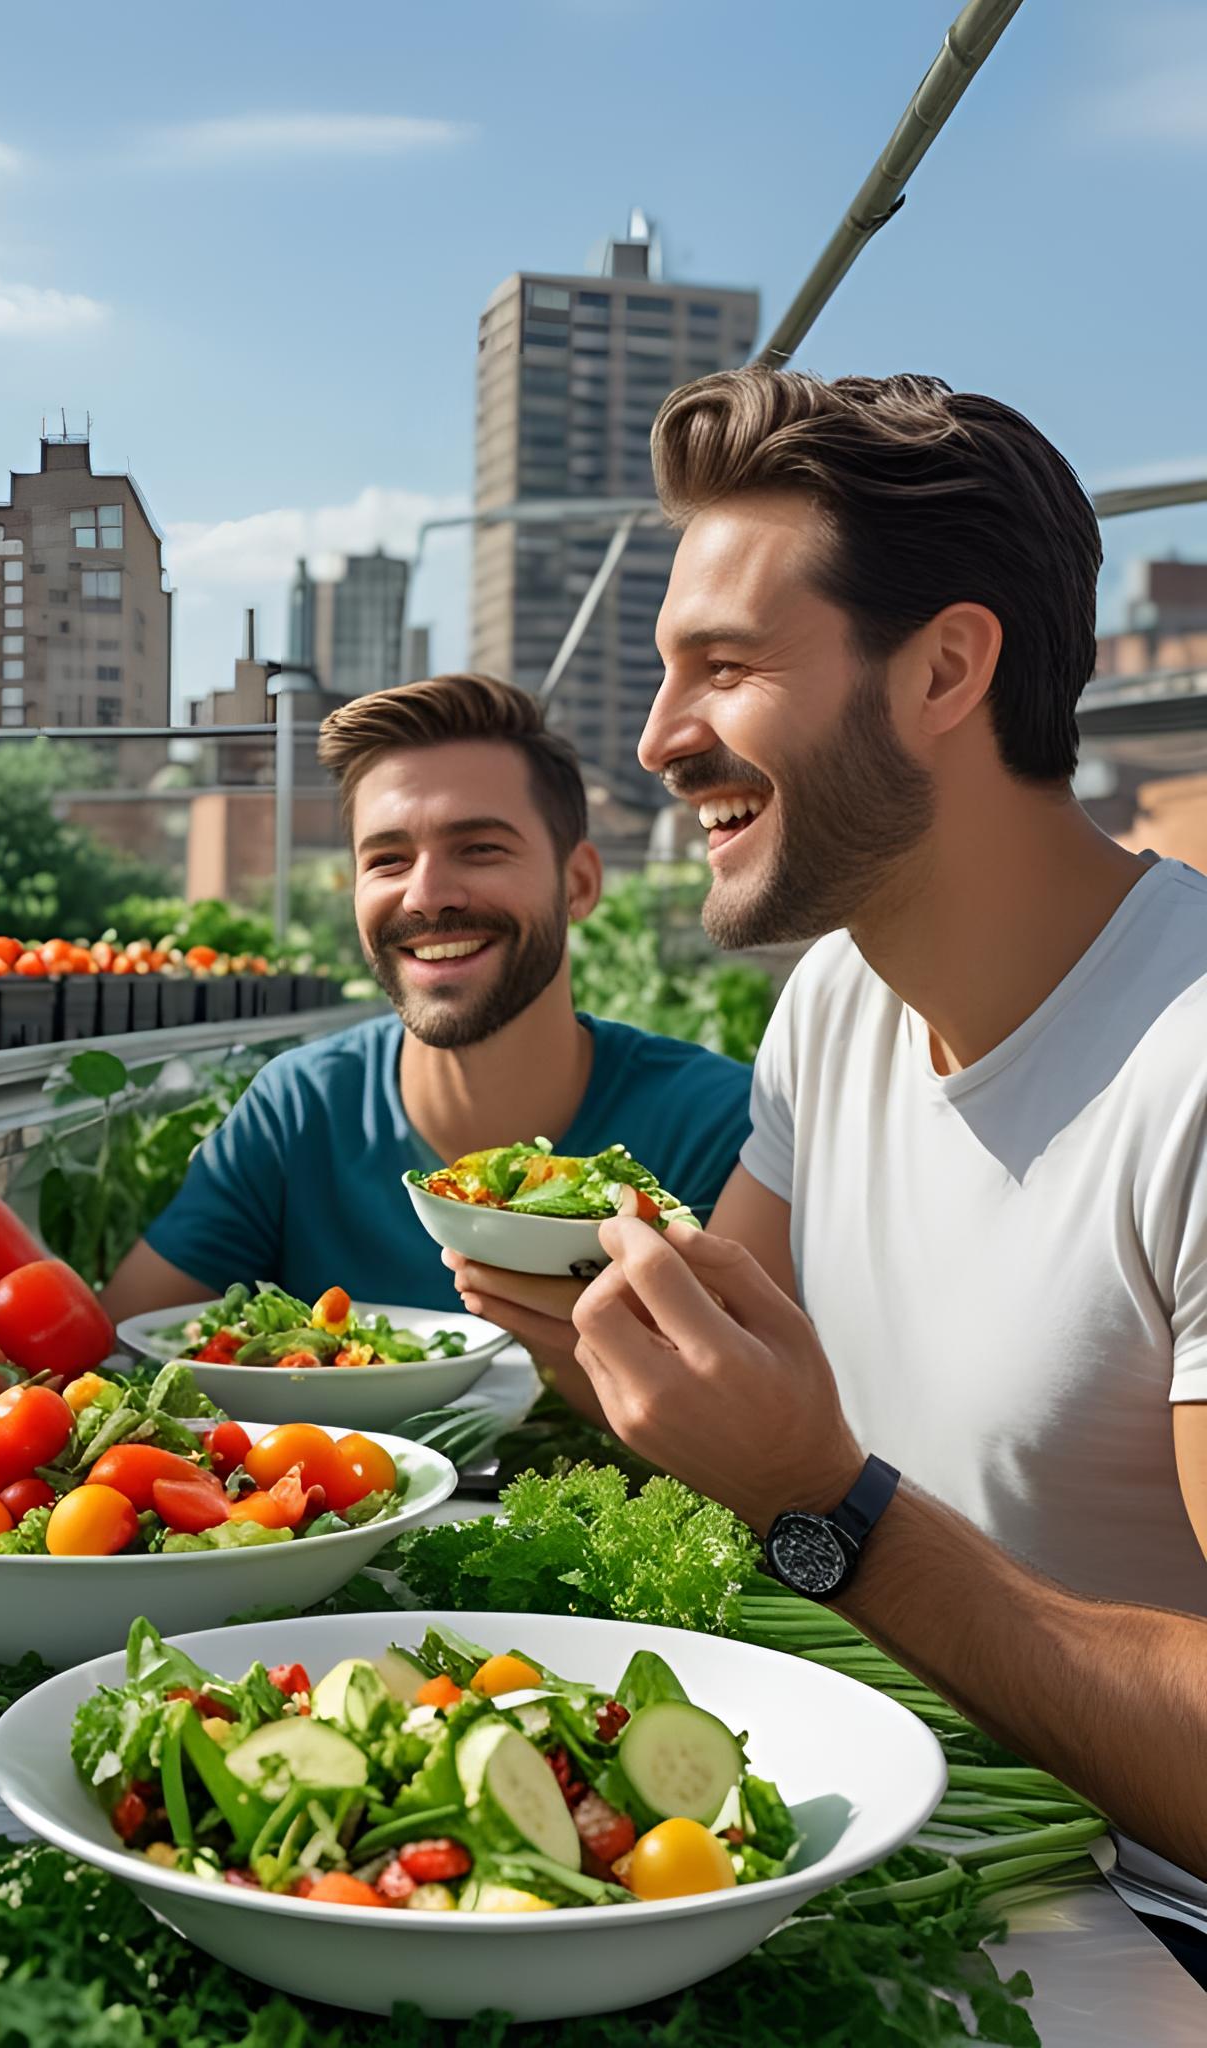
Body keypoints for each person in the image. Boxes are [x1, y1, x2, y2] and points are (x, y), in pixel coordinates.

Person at [450, 369, 1207, 1875]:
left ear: (943, 673)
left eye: (723, 665)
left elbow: (801, 1486)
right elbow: (728, 1421)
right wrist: (609, 1357)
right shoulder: (835, 1004)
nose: (660, 738)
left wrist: (827, 1505)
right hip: (888, 1840)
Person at [99, 672, 753, 1323]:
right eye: (387, 860)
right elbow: (124, 1347)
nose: (426, 894)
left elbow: (751, 1403)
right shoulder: (300, 1111)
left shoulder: (714, 1125)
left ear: (578, 883)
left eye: (479, 849)